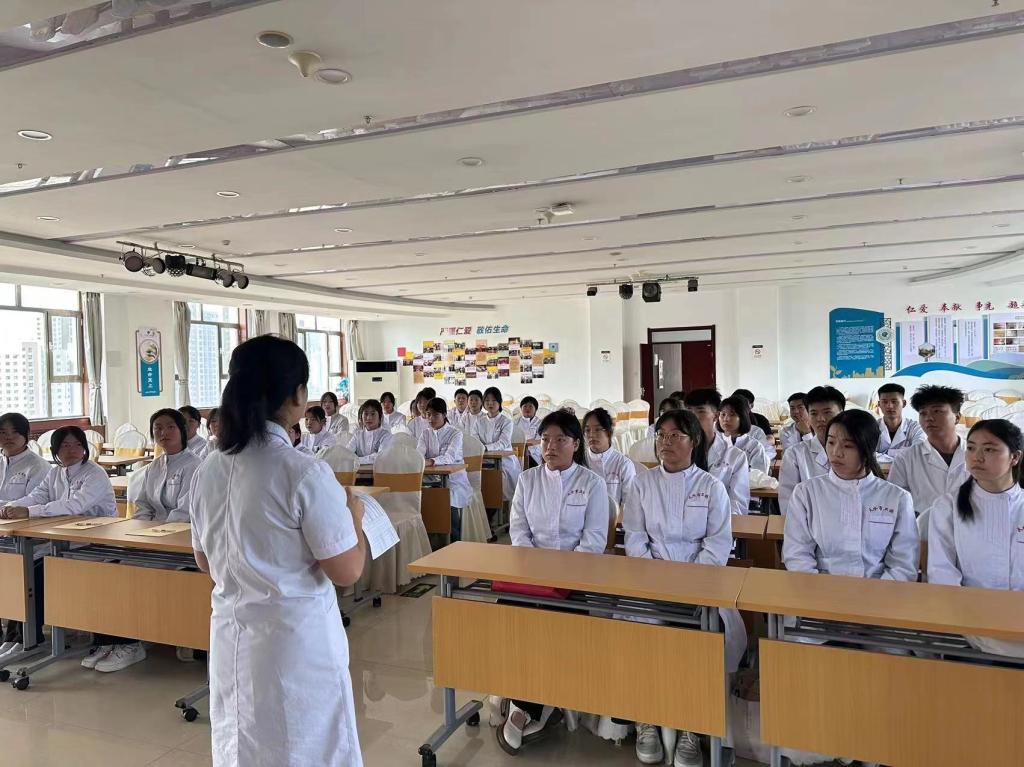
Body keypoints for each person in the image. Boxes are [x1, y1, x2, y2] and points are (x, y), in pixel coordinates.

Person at [190, 335, 366, 767]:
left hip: (232, 635)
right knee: (303, 746)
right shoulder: (303, 471)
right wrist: (355, 516)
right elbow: (346, 571)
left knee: (242, 743)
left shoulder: (209, 468)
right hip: (294, 643)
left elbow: (204, 561)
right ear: (298, 395)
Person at [623, 408, 745, 767]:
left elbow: (718, 544)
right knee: (637, 638)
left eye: (675, 435)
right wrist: (656, 579)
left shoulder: (711, 487)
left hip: (700, 586)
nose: (666, 442)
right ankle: (646, 717)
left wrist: (688, 584)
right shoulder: (642, 483)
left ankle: (693, 724)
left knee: (702, 643)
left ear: (694, 442)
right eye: (661, 435)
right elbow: (634, 537)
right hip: (650, 582)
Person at [500, 410, 609, 755]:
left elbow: (593, 540)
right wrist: (537, 571)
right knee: (508, 620)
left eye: (560, 439)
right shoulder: (528, 479)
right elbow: (519, 531)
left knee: (553, 626)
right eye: (546, 439)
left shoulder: (592, 484)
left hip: (575, 579)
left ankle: (527, 705)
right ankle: (520, 693)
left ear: (576, 444)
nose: (551, 446)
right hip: (531, 575)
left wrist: (560, 575)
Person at [0, 427, 138, 672]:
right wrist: (10, 507)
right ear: (55, 450)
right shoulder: (56, 473)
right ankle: (27, 637)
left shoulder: (94, 473)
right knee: (31, 571)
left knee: (72, 576)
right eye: (65, 445)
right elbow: (37, 496)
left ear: (85, 447)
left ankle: (111, 641)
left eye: (77, 445)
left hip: (99, 543)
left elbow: (75, 505)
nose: (72, 450)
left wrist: (29, 511)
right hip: (68, 542)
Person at [784, 410, 918, 582]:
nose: (836, 452)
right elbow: (797, 554)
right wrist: (820, 591)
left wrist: (877, 593)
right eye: (831, 442)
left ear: (868, 449)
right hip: (819, 588)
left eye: (848, 446)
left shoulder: (897, 498)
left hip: (880, 590)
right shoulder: (806, 493)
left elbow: (903, 563)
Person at [928, 419, 1024, 657]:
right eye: (971, 448)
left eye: (989, 449)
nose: (977, 457)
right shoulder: (947, 506)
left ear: (1015, 457)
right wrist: (970, 618)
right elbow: (942, 572)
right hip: (970, 626)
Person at [0, 413, 52, 663]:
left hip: (29, 540)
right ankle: (8, 636)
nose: (8, 438)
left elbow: (29, 505)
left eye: (14, 432)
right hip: (4, 537)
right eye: (3, 433)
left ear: (26, 435)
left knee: (20, 577)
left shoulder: (38, 466)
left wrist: (5, 508)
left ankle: (25, 637)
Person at [888, 385, 968, 537]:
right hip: (923, 534)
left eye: (937, 411)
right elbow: (896, 503)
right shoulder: (906, 458)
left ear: (957, 417)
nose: (929, 418)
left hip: (970, 532)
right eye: (923, 413)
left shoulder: (976, 454)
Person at [778, 386, 846, 515]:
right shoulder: (794, 454)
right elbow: (788, 502)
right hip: (808, 523)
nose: (820, 419)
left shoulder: (856, 450)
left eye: (827, 412)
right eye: (814, 413)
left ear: (842, 413)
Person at [685, 389, 751, 515]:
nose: (692, 417)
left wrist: (719, 523)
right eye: (688, 411)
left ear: (715, 416)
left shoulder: (735, 456)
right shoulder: (678, 452)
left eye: (700, 411)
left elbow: (738, 504)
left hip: (721, 521)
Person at [130, 409, 201, 523]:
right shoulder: (154, 466)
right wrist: (140, 527)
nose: (163, 433)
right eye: (158, 428)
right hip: (152, 528)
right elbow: (144, 506)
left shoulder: (194, 465)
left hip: (180, 528)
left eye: (171, 427)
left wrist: (160, 530)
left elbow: (184, 512)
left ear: (182, 430)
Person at [417, 398, 473, 541]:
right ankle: (431, 540)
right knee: (422, 500)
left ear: (444, 415)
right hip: (431, 479)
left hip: (454, 480)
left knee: (448, 500)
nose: (431, 418)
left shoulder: (455, 433)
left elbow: (449, 457)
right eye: (428, 414)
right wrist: (422, 461)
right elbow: (418, 455)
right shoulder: (425, 434)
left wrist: (430, 461)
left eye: (435, 415)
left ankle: (454, 540)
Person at [474, 386, 521, 502]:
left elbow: (503, 442)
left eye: (494, 400)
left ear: (499, 402)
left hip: (504, 460)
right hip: (483, 459)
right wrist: (481, 448)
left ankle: (499, 507)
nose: (490, 403)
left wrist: (485, 448)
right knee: (474, 476)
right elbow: (475, 440)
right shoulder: (479, 421)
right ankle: (483, 506)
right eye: (487, 400)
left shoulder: (506, 422)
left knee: (500, 478)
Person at [582, 408, 636, 507]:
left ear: (609, 432)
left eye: (597, 429)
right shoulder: (580, 461)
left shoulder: (623, 464)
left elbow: (629, 504)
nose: (591, 435)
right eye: (587, 430)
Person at [717, 395, 769, 474]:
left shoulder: (755, 447)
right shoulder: (714, 443)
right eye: (723, 414)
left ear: (742, 417)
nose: (726, 419)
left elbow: (759, 476)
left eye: (732, 414)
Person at [875, 383, 926, 461]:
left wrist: (887, 453)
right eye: (885, 402)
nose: (889, 406)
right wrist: (903, 454)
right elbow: (866, 454)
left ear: (904, 403)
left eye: (894, 401)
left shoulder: (916, 428)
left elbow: (918, 453)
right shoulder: (871, 426)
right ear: (879, 404)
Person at [347, 399, 392, 465]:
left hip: (379, 470)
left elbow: (380, 457)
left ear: (380, 417)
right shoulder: (357, 435)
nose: (368, 418)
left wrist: (356, 460)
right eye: (366, 414)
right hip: (359, 470)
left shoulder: (386, 435)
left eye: (373, 414)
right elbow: (347, 453)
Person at [516, 396, 543, 466]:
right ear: (521, 409)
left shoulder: (540, 423)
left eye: (530, 406)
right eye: (525, 406)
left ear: (535, 409)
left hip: (536, 453)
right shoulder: (515, 423)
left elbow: (540, 440)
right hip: (519, 452)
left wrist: (530, 443)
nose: (527, 409)